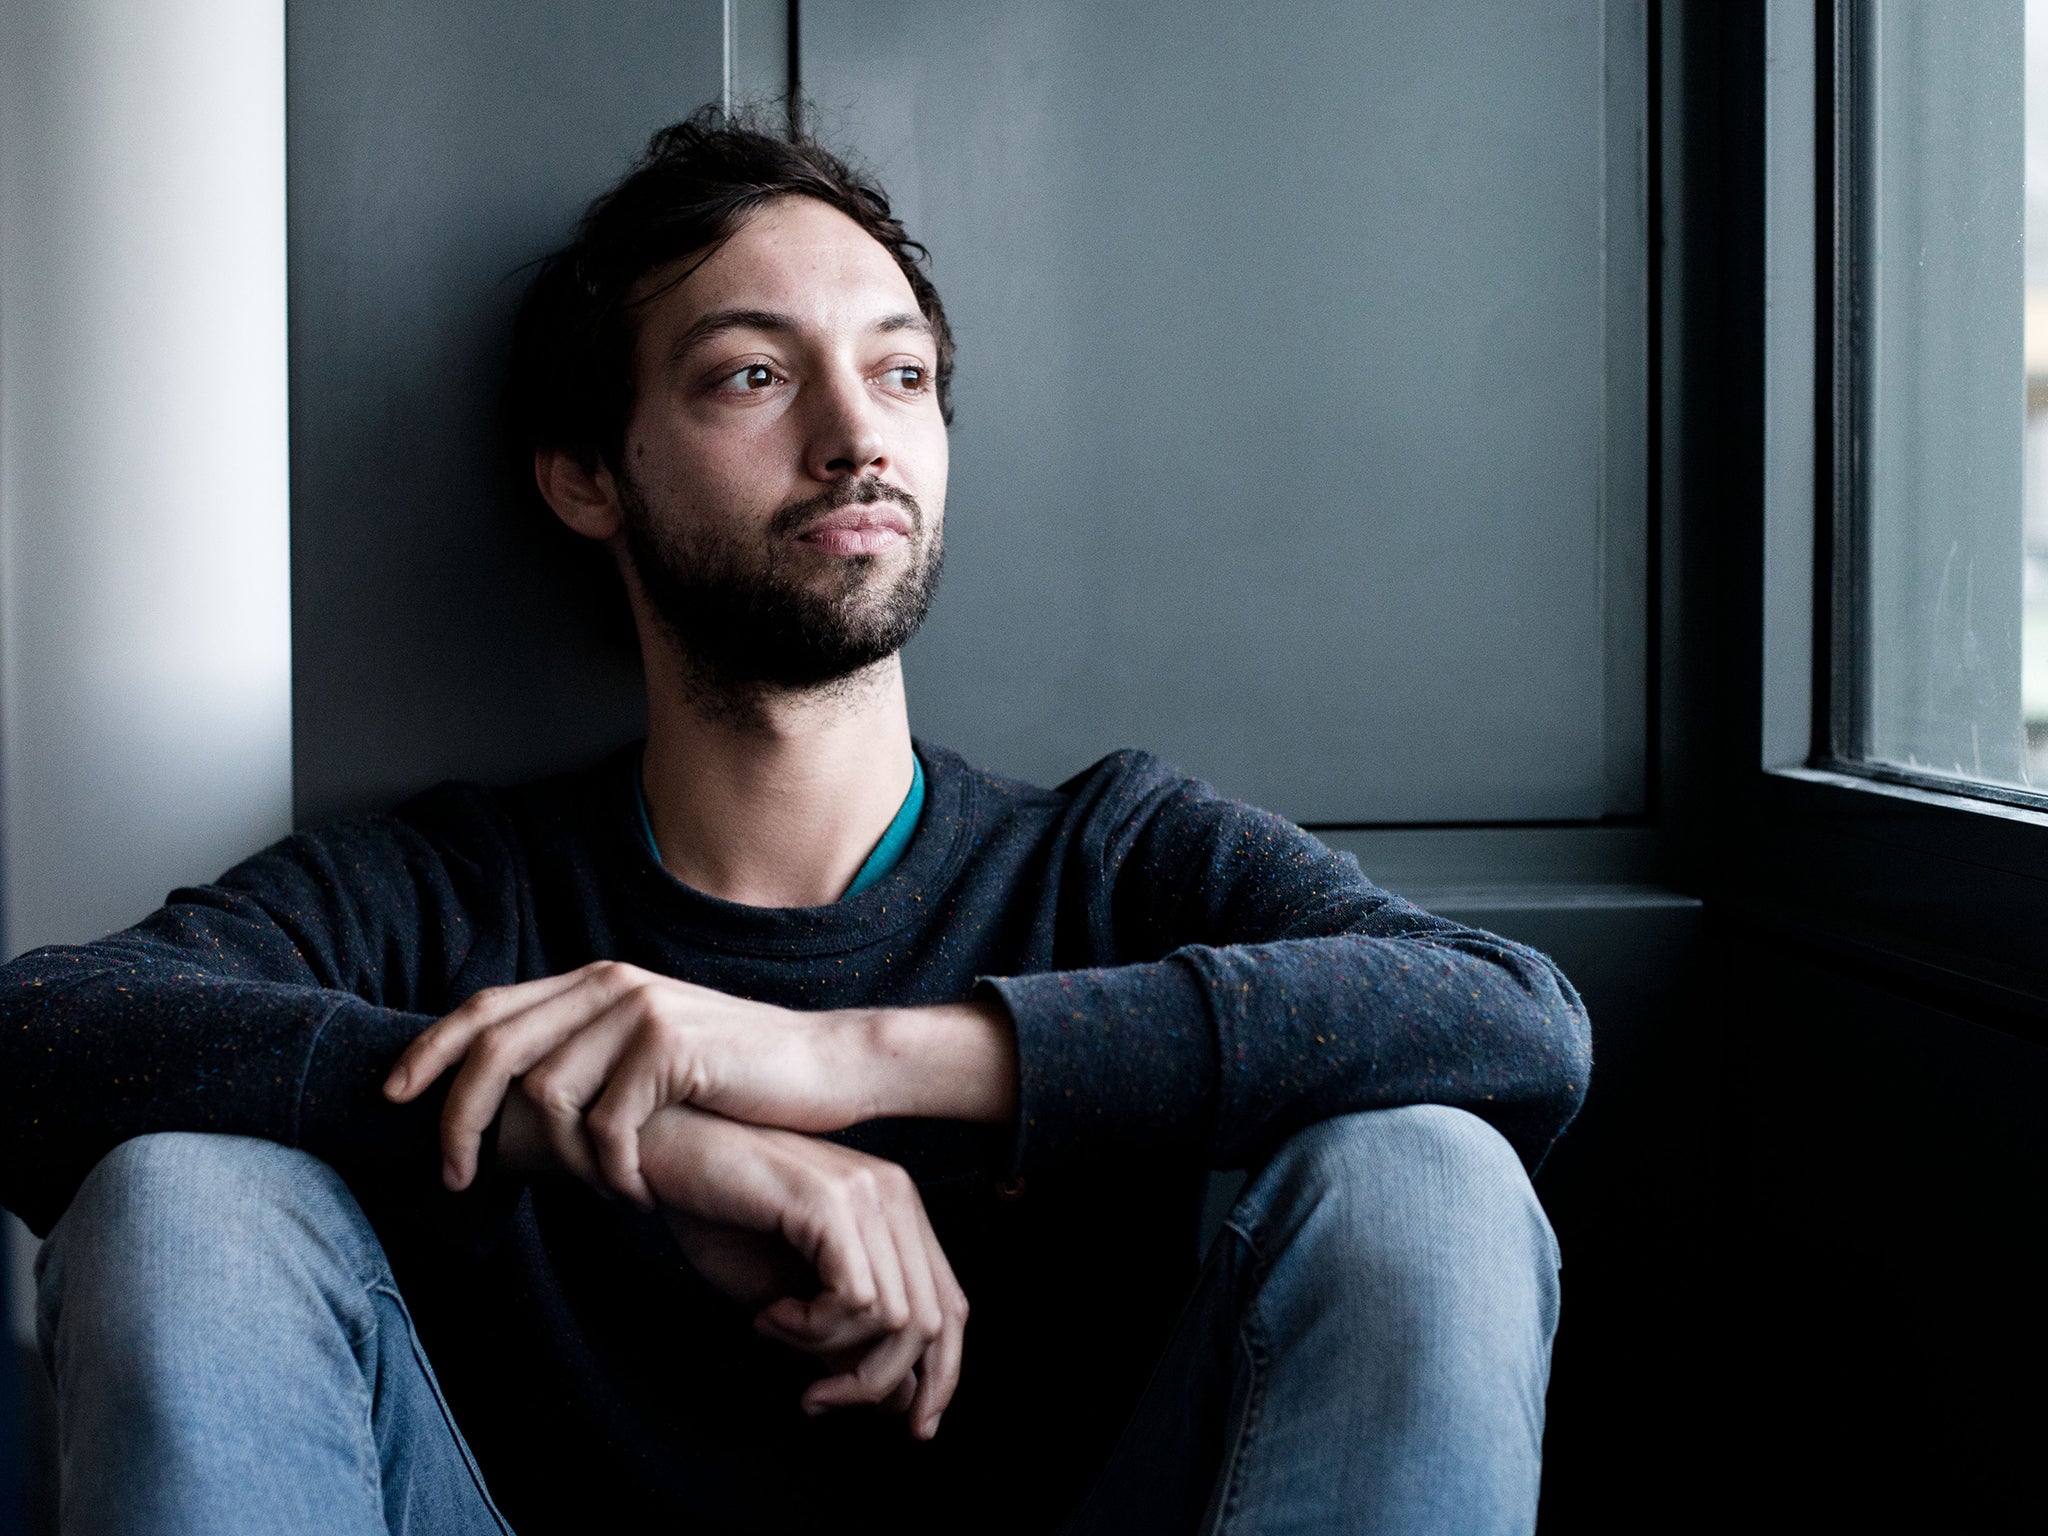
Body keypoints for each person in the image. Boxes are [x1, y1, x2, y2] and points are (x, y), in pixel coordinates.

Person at [0, 106, 1589, 1536]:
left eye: (899, 373)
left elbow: (1520, 1022)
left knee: (1427, 1173)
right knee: (181, 1201)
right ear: (584, 476)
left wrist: (837, 1064)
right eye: (754, 375)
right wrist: (648, 1135)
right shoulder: (448, 892)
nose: (856, 434)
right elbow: (41, 1030)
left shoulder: (1111, 858)